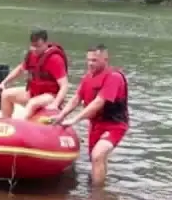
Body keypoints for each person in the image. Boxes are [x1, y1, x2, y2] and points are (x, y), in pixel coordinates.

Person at [52, 45, 129, 187]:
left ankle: (96, 196)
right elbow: (76, 98)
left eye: (94, 60)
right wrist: (61, 115)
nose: (90, 63)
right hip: (96, 124)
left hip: (114, 125)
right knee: (96, 159)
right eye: (88, 60)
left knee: (97, 155)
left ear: (105, 59)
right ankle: (101, 190)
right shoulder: (88, 77)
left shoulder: (114, 77)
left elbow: (99, 102)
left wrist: (74, 120)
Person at [0, 29, 69, 120]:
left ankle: (21, 128)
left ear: (46, 43)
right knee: (6, 94)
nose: (34, 49)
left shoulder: (55, 59)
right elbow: (20, 69)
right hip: (33, 92)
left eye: (38, 46)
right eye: (32, 46)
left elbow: (64, 85)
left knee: (32, 103)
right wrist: (4, 82)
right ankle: (6, 123)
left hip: (51, 95)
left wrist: (56, 104)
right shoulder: (31, 55)